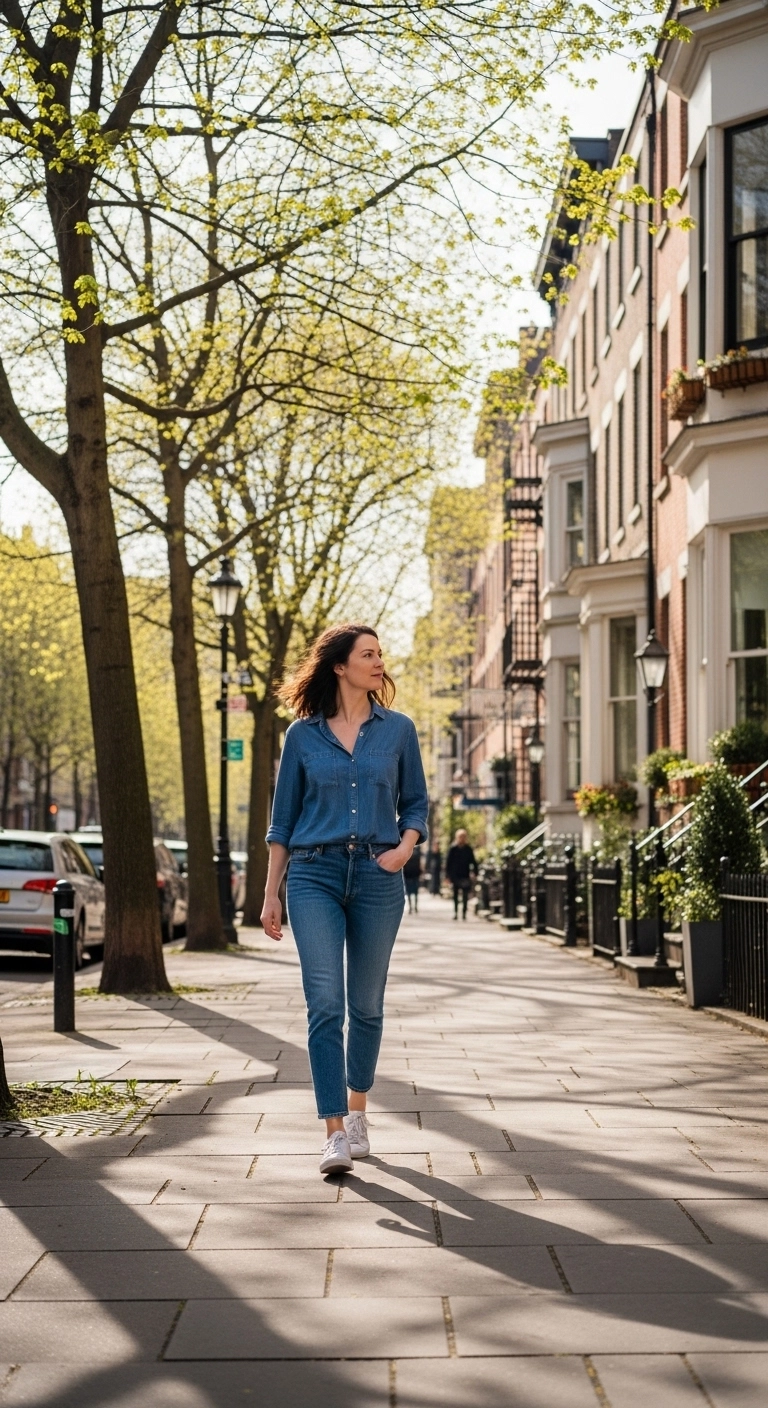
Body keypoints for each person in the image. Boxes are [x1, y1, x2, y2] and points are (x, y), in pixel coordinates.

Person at [260, 624, 428, 1176]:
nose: (379, 662)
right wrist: (270, 896)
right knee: (325, 1002)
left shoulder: (398, 730)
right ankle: (333, 1131)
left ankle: (358, 1114)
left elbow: (417, 805)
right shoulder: (302, 737)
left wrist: (404, 848)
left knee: (367, 1005)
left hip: (381, 874)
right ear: (340, 665)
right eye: (368, 654)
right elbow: (282, 823)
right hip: (315, 873)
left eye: (381, 653)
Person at [445, 828, 477, 920]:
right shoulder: (453, 849)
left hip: (465, 874)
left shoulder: (468, 849)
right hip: (455, 875)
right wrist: (447, 876)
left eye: (463, 837)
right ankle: (455, 913)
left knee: (465, 895)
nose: (462, 838)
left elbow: (473, 861)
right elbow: (448, 863)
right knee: (455, 895)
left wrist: (475, 872)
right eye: (460, 837)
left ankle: (464, 913)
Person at [403, 846, 421, 913]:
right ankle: (414, 907)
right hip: (413, 874)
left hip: (409, 874)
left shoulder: (406, 849)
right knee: (415, 892)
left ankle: (412, 907)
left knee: (410, 892)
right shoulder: (417, 851)